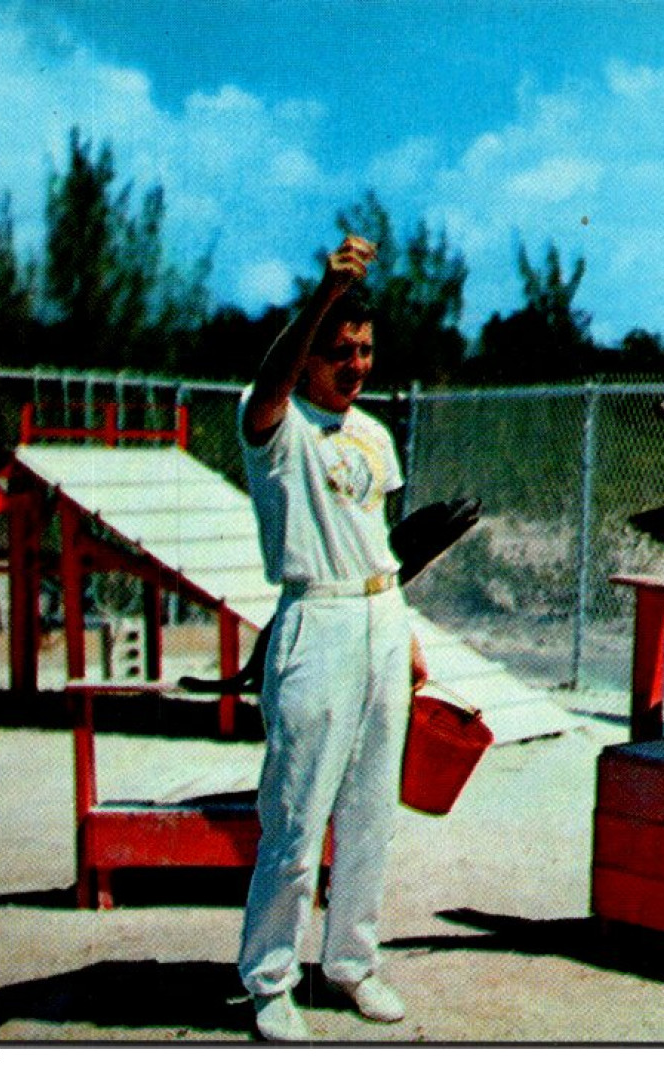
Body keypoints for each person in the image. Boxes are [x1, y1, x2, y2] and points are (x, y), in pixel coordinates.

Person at [236, 234, 428, 1042]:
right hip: (316, 618)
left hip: (381, 615)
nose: (354, 365)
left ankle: (350, 961)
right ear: (308, 354)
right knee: (296, 810)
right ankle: (271, 978)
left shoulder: (374, 435)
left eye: (365, 350)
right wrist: (320, 293)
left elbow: (374, 534)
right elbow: (269, 384)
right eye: (339, 351)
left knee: (371, 807)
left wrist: (407, 629)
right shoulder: (276, 425)